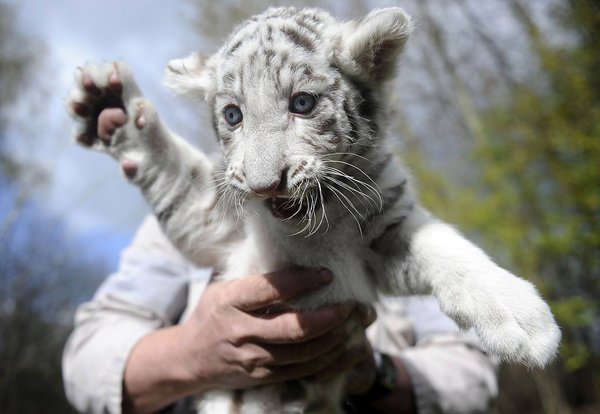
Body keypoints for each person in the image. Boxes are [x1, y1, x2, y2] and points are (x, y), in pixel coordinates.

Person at [63, 216, 498, 414]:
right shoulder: (182, 216)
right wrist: (192, 355)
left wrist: (373, 374)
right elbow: (87, 360)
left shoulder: (398, 226)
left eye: (303, 104)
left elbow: (472, 374)